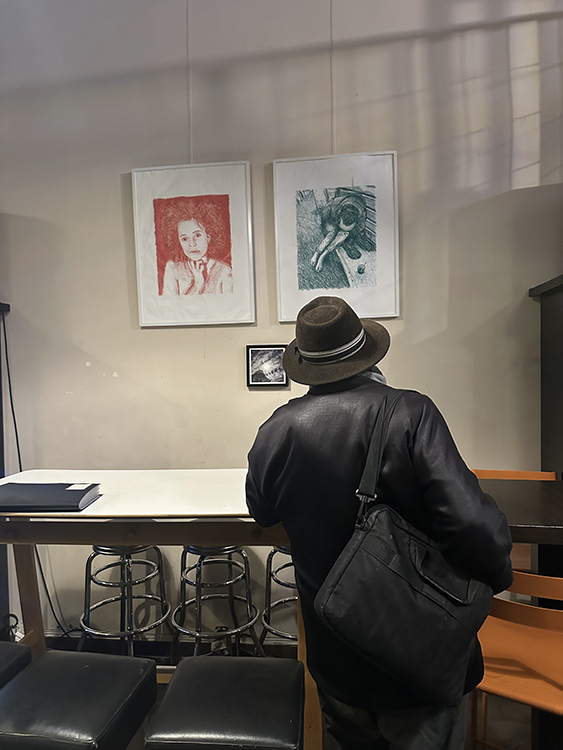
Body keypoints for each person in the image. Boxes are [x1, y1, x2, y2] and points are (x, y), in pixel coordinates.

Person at [245, 296, 513, 750]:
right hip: (418, 651)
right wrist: (495, 579)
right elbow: (473, 526)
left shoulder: (277, 429)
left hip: (336, 650)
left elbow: (262, 510)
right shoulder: (410, 413)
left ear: (306, 364)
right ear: (366, 356)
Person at [162, 217, 233, 296]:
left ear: (208, 237)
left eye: (197, 235)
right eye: (184, 239)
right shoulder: (172, 268)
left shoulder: (223, 269)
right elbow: (169, 302)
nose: (192, 244)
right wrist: (197, 284)